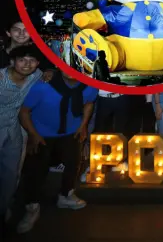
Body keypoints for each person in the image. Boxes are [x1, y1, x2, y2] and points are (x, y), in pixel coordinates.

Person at [16, 70, 97, 234]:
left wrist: (83, 126)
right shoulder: (43, 86)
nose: (71, 70)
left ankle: (66, 195)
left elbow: (89, 103)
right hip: (42, 134)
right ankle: (32, 206)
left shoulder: (89, 86)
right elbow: (24, 111)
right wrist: (33, 134)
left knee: (73, 163)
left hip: (70, 132)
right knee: (36, 170)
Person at [0, 46, 42, 229]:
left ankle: (3, 209)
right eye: (22, 60)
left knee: (11, 174)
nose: (27, 64)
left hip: (13, 130)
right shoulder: (1, 78)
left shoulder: (36, 75)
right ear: (12, 62)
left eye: (31, 60)